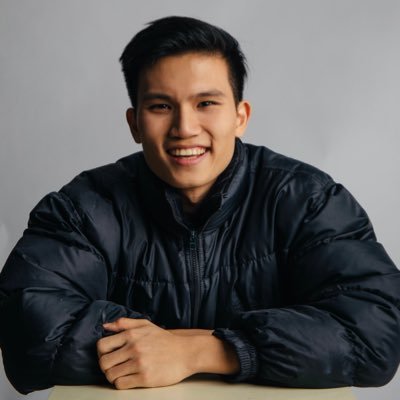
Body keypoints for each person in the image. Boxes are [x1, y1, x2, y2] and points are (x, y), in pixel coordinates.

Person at [1, 15, 400, 395]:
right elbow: (25, 327)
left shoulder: (307, 199)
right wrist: (155, 349)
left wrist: (203, 351)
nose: (185, 128)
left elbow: (378, 332)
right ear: (135, 123)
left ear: (240, 116)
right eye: (161, 106)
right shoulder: (83, 207)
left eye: (206, 103)